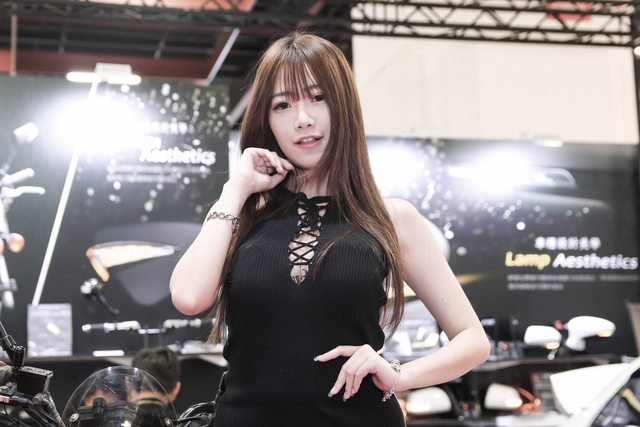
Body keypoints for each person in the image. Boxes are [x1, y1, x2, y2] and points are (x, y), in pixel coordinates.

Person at [170, 31, 490, 426]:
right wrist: (235, 189)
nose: (302, 118)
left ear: (343, 105)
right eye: (282, 104)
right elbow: (188, 297)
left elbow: (472, 340)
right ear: (267, 120)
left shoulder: (391, 219)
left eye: (318, 97)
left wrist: (399, 375)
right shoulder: (241, 217)